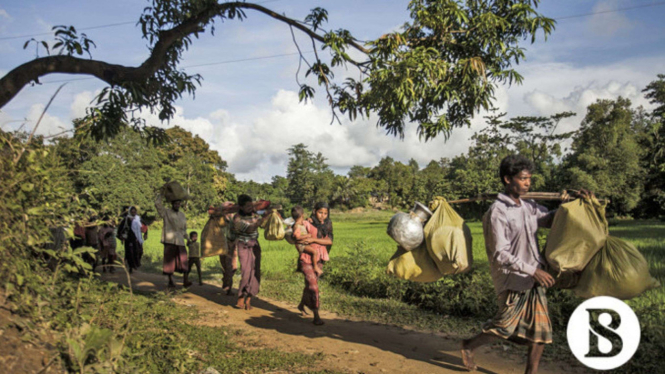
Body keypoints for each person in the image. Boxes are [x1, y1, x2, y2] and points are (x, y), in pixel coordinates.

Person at [460, 155, 589, 374]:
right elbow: (501, 253)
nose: (527, 183)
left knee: (541, 330)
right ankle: (469, 345)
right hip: (512, 278)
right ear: (507, 179)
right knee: (505, 327)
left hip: (533, 276)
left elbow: (548, 219)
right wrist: (533, 271)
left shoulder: (529, 206)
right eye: (522, 179)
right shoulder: (497, 212)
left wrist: (571, 205)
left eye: (529, 178)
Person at [231, 194, 272, 310]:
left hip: (254, 245)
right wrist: (261, 220)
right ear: (241, 207)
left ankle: (248, 299)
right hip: (243, 245)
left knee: (255, 272)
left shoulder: (254, 215)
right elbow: (250, 228)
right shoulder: (237, 218)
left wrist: (268, 216)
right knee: (246, 272)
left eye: (251, 205)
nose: (250, 208)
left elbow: (262, 225)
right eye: (247, 206)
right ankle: (241, 296)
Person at [296, 202, 333, 325]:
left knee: (311, 284)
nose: (323, 215)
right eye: (320, 212)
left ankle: (302, 305)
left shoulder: (328, 224)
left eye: (325, 213)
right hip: (306, 257)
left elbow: (329, 241)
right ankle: (316, 315)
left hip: (320, 257)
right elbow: (294, 234)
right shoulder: (307, 223)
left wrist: (313, 239)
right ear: (314, 211)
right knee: (313, 286)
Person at [155, 192, 189, 289]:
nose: (177, 205)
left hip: (180, 240)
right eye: (175, 204)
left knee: (183, 260)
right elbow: (157, 204)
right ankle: (170, 280)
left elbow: (184, 229)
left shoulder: (182, 215)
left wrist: (188, 239)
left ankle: (185, 280)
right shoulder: (166, 212)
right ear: (172, 204)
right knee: (169, 262)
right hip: (170, 240)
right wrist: (161, 194)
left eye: (179, 204)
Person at [290, 206, 323, 276]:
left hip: (303, 244)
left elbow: (303, 222)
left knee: (303, 255)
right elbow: (297, 237)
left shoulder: (299, 224)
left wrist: (307, 219)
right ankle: (315, 267)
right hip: (302, 245)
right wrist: (307, 236)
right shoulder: (297, 226)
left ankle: (299, 268)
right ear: (302, 215)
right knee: (314, 252)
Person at [118, 207, 143, 273]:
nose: (133, 213)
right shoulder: (126, 219)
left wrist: (145, 233)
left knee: (139, 251)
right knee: (130, 253)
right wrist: (120, 236)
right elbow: (120, 228)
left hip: (137, 239)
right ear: (130, 212)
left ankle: (136, 264)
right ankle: (130, 267)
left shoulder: (138, 219)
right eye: (132, 212)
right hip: (129, 238)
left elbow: (144, 226)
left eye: (134, 212)